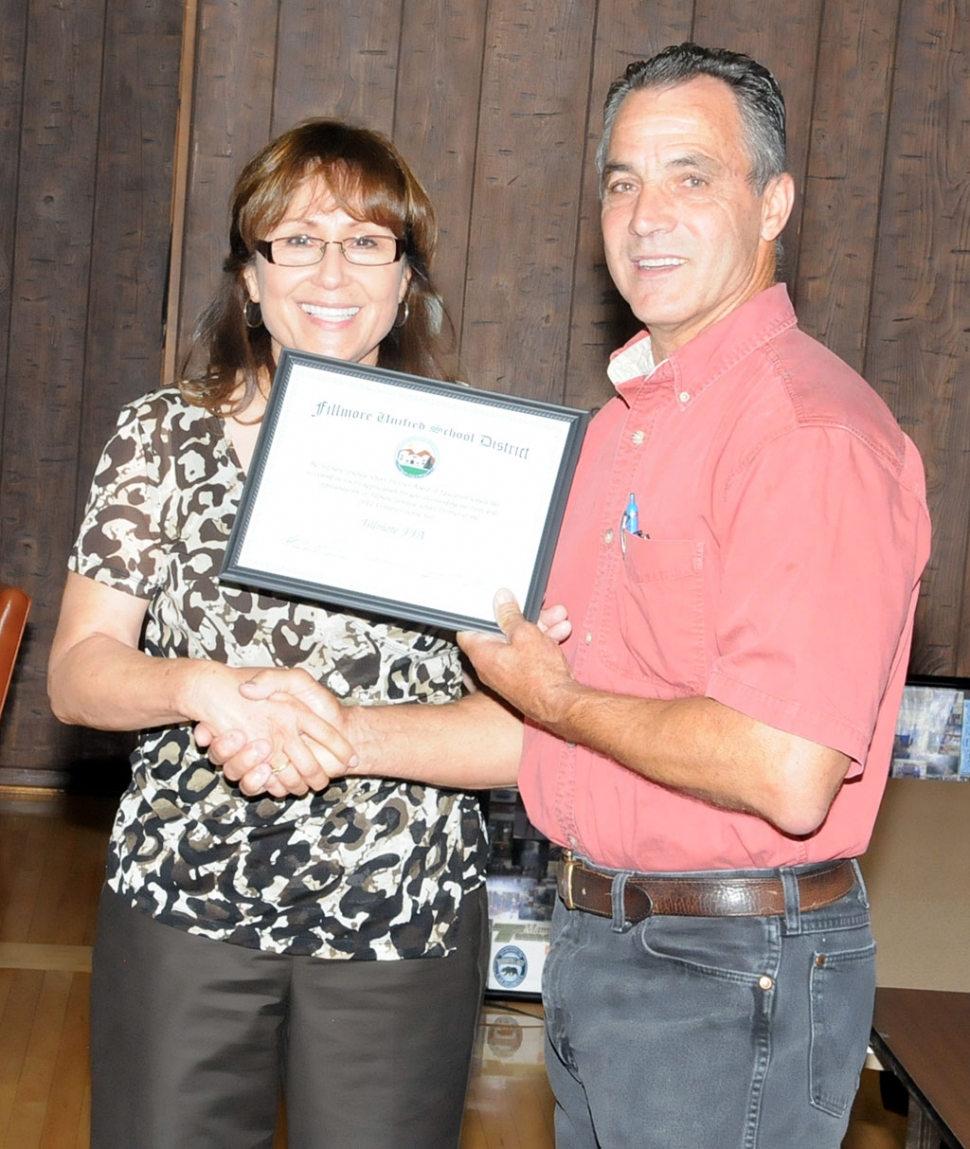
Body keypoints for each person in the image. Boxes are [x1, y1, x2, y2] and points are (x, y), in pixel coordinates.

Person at [205, 43, 930, 1149]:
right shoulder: (618, 434)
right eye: (621, 180)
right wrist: (336, 732)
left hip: (728, 974)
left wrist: (555, 702)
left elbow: (785, 771)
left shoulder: (805, 435)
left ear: (773, 201)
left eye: (692, 176)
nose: (646, 215)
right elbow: (551, 734)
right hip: (603, 946)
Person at [47, 119, 496, 1149]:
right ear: (249, 277)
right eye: (294, 240)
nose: (330, 269)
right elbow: (78, 676)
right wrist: (202, 686)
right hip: (181, 906)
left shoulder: (477, 461)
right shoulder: (159, 434)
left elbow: (527, 735)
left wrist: (339, 730)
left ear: (405, 278)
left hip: (400, 913)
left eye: (366, 241)